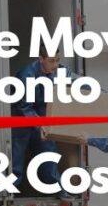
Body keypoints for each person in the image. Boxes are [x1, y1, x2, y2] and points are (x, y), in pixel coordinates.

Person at [11, 54, 70, 193]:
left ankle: (56, 187)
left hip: (41, 118)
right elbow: (24, 106)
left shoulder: (56, 71)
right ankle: (11, 189)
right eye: (51, 61)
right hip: (22, 119)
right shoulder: (27, 76)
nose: (55, 65)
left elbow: (73, 77)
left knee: (48, 152)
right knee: (17, 157)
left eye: (57, 60)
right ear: (41, 59)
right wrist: (40, 125)